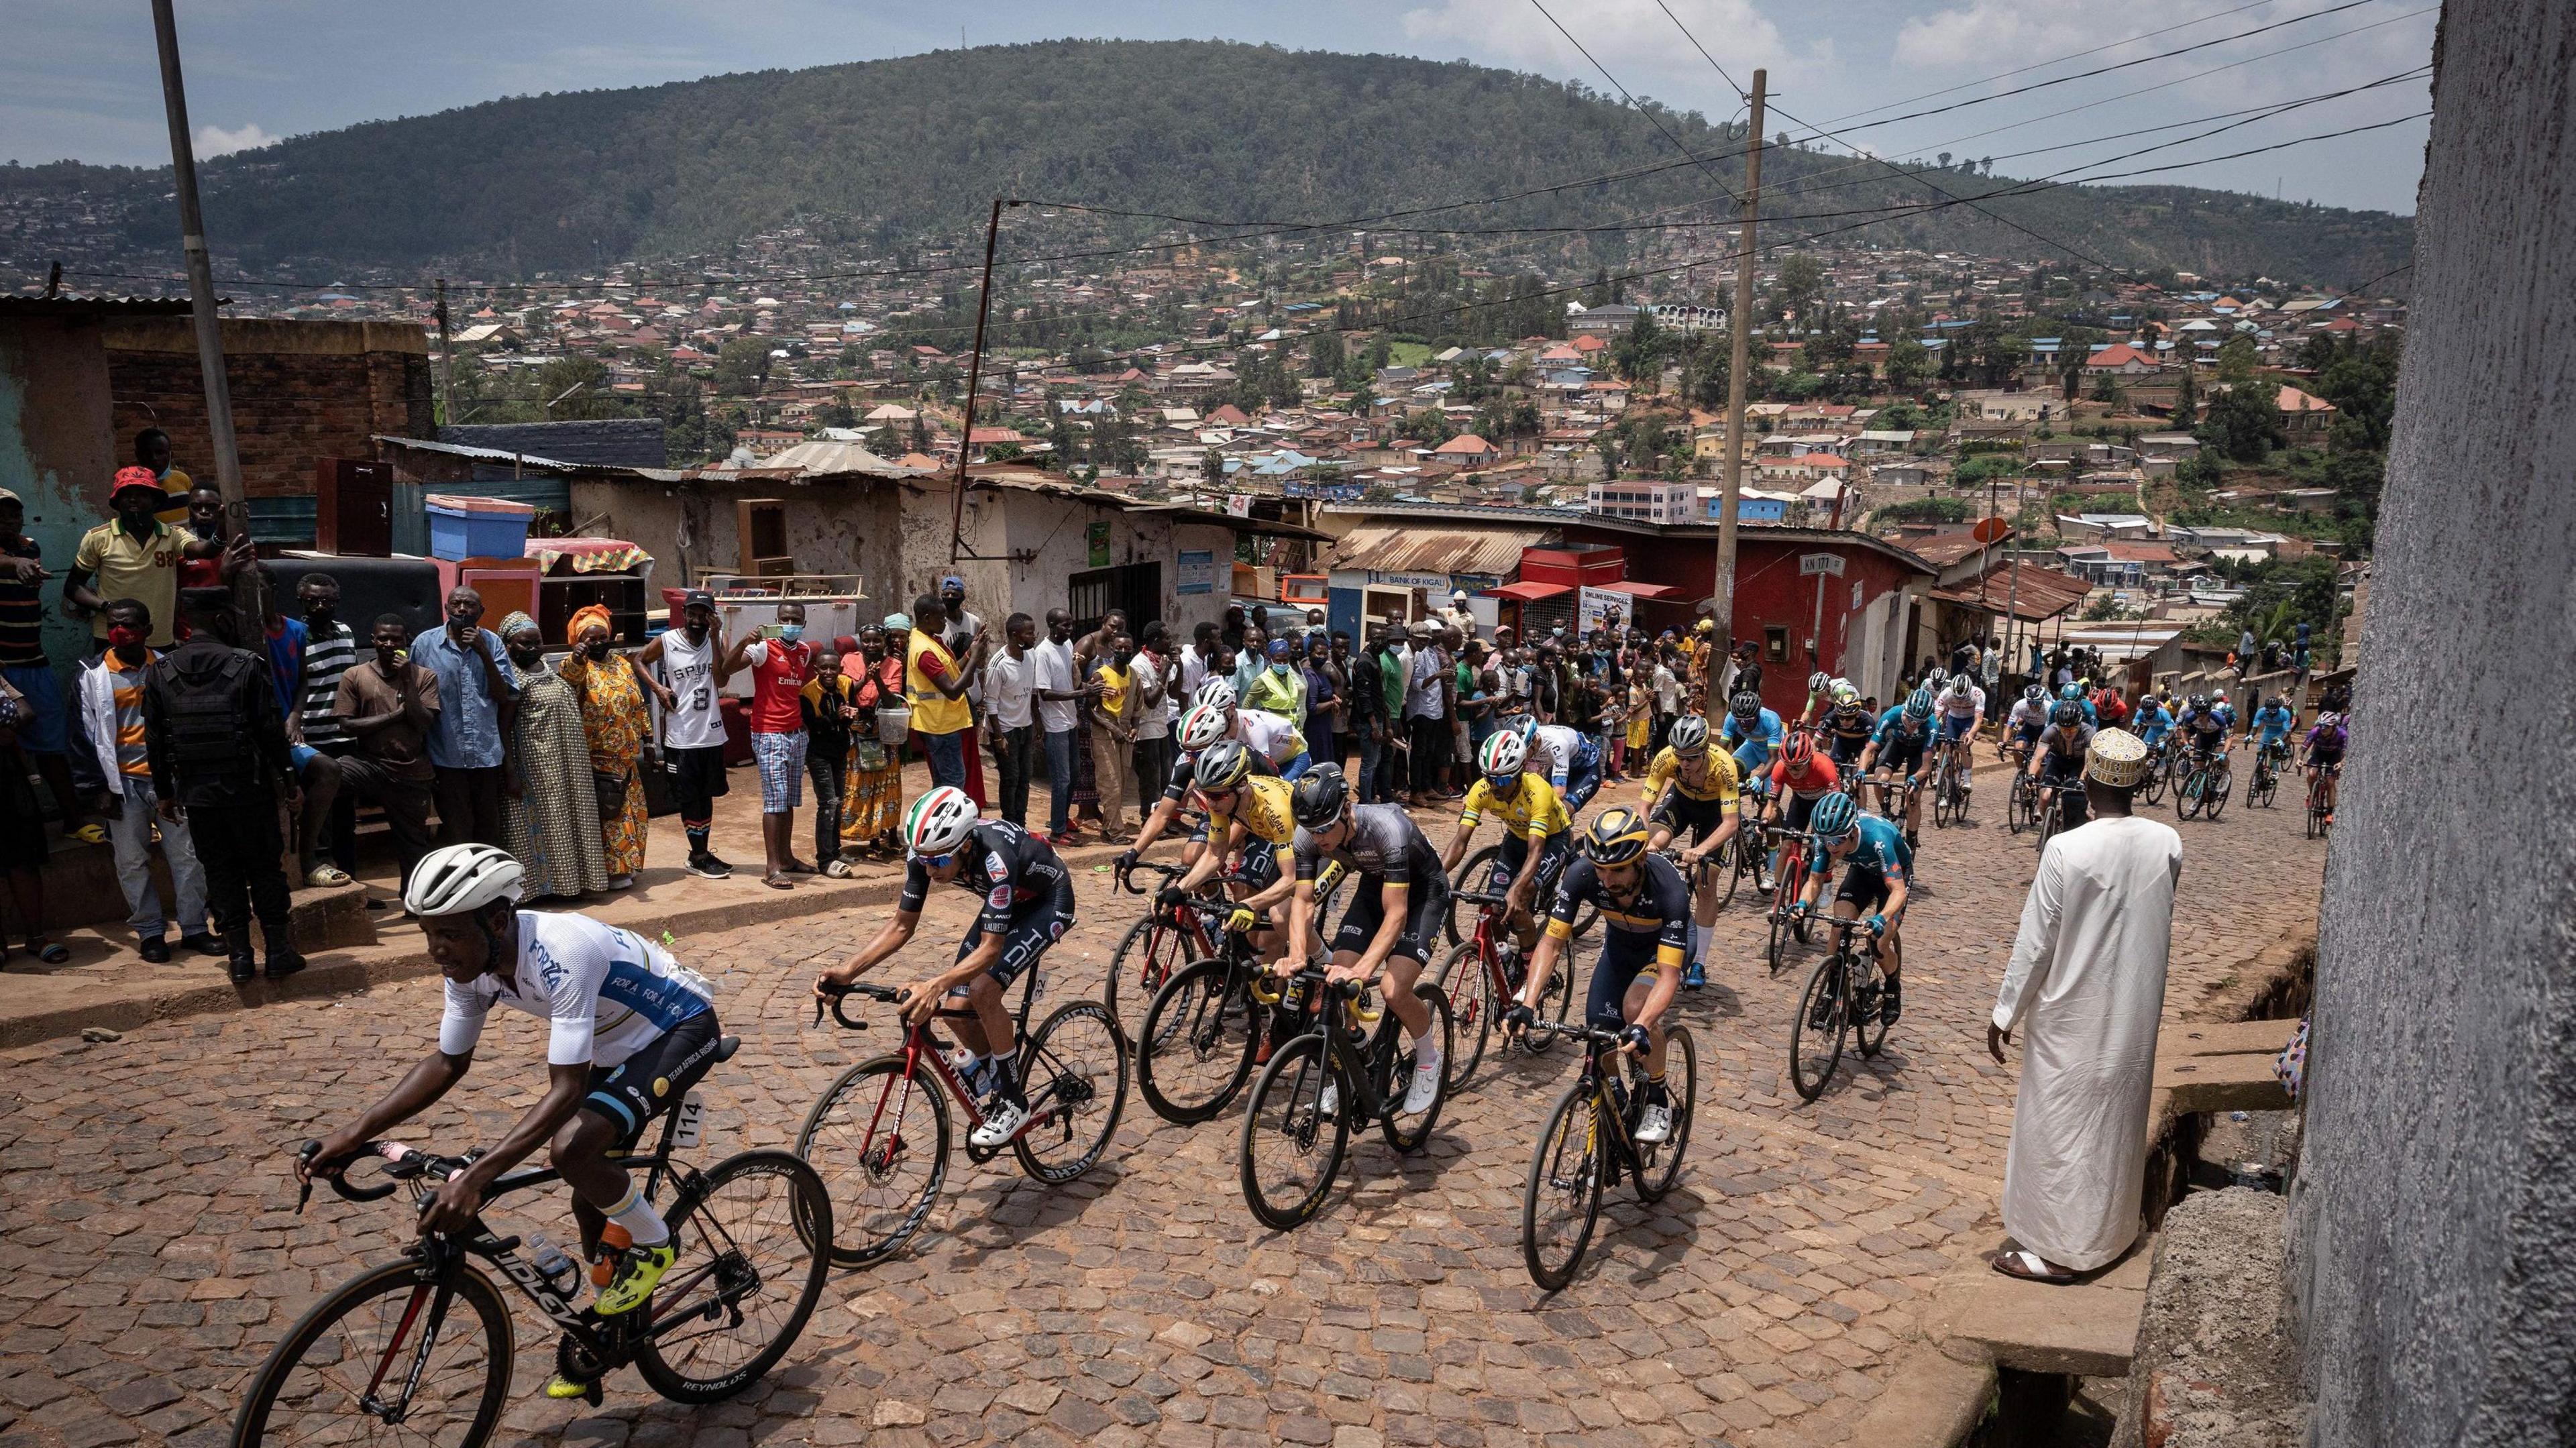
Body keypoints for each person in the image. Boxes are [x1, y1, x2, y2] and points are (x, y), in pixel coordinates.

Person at [299, 844, 722, 1394]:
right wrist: (354, 1133)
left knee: (572, 1150)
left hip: (678, 1027)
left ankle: (658, 1243)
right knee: (587, 1193)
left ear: (497, 920)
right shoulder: (473, 962)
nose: (435, 950)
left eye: (448, 933)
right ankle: (607, 1333)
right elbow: (448, 1061)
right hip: (614, 1044)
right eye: (428, 933)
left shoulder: (563, 951)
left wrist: (477, 1178)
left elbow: (566, 1090)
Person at [1987, 728, 2180, 1282]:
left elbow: (2035, 944)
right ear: (2139, 781)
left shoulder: (2065, 848)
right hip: (2133, 1012)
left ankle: (2058, 1252)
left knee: (2060, 1128)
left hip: (2072, 1016)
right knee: (2115, 1123)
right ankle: (2113, 1233)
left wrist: (2004, 1015)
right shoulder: (2168, 842)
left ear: (2090, 778)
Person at [812, 787, 1075, 1148]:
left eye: (937, 862)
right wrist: (848, 971)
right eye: (923, 860)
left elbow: (990, 950)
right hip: (1007, 901)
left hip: (1048, 901)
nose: (928, 869)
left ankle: (1014, 1103)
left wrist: (934, 984)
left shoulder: (996, 859)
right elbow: (902, 926)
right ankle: (992, 1073)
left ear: (965, 847)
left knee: (983, 991)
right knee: (954, 1010)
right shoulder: (925, 855)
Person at [144, 588, 302, 983]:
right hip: (248, 790)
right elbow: (270, 731)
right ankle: (278, 952)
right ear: (223, 619)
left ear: (185, 622)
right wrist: (288, 780)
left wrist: (165, 794)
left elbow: (156, 741)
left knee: (220, 871)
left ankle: (240, 958)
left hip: (198, 795)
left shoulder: (161, 672)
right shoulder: (247, 664)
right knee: (265, 868)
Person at [1505, 807, 1688, 1141]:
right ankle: (1617, 1097)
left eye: (1617, 870)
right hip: (1619, 948)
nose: (1607, 879)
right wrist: (1528, 1002)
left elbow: (1668, 975)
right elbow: (1552, 943)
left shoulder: (1669, 888)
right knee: (1597, 1035)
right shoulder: (1581, 874)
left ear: (1641, 860)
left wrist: (1643, 1026)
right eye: (1601, 870)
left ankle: (1659, 1096)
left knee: (1634, 1007)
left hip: (1658, 952)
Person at [1281, 769, 1446, 1117]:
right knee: (1334, 973)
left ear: (1345, 810)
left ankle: (1429, 1060)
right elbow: (1303, 900)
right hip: (1375, 884)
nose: (1320, 838)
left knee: (1392, 988)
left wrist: (1363, 970)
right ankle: (1357, 1065)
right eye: (1313, 830)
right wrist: (1296, 953)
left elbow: (1397, 914)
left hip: (1423, 892)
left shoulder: (1387, 827)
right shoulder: (1308, 836)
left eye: (1326, 828)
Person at [72, 600, 209, 962]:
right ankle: (150, 932)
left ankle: (195, 928)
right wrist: (97, 788)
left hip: (169, 781)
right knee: (131, 861)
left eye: (130, 625)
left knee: (188, 856)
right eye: (115, 625)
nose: (122, 631)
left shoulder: (168, 667)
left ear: (148, 629)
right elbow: (82, 735)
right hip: (122, 784)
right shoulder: (91, 673)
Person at [0, 488, 97, 844]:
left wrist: (21, 562)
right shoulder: (19, 557)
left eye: (14, 515)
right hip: (3, 668)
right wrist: (15, 565)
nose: (9, 522)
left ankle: (73, 821)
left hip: (33, 660)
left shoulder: (30, 547)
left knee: (53, 747)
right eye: (2, 517)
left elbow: (22, 560)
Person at [498, 612, 609, 901]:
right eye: (525, 644)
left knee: (572, 819)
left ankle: (571, 885)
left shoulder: (547, 667)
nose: (534, 649)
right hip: (537, 767)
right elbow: (504, 728)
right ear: (508, 645)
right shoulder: (510, 678)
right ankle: (540, 890)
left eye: (538, 642)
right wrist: (510, 771)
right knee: (547, 822)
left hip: (569, 763)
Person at [333, 614, 443, 903]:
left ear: (406, 641)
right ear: (373, 640)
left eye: (396, 639)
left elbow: (422, 723)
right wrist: (394, 716)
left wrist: (407, 680)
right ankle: (325, 870)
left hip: (411, 770)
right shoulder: (355, 675)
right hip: (369, 764)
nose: (389, 644)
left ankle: (414, 900)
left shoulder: (424, 676)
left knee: (413, 843)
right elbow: (346, 725)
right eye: (383, 638)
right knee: (328, 776)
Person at [1441, 730, 1574, 961]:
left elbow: (1536, 851)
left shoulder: (1538, 791)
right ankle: (1505, 959)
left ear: (1520, 772)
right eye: (1489, 778)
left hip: (1553, 839)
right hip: (1516, 837)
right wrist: (1435, 876)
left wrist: (1517, 888)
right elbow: (1459, 842)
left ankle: (1529, 965)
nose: (1494, 787)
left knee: (1520, 898)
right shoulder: (1481, 790)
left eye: (1502, 780)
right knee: (1494, 908)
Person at [1638, 713, 1741, 989]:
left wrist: (1701, 849)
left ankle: (1700, 961)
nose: (1684, 764)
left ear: (1705, 750)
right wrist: (1643, 840)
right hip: (1681, 802)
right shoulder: (1667, 758)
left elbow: (1731, 823)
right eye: (1680, 757)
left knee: (1706, 883)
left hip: (1715, 813)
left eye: (1692, 758)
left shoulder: (1724, 767)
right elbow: (1645, 806)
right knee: (1655, 842)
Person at [413, 587, 519, 849]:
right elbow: (412, 698)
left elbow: (503, 696)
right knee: (457, 830)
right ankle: (464, 886)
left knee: (488, 829)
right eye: (456, 604)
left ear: (480, 612)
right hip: (445, 756)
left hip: (486, 756)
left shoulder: (492, 643)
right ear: (447, 609)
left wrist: (483, 652)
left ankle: (488, 886)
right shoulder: (425, 645)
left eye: (469, 605)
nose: (462, 609)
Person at [1796, 790, 1912, 1027]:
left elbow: (1898, 891)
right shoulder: (1826, 840)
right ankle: (1831, 991)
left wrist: (1881, 918)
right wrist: (1801, 904)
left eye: (1838, 840)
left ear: (1851, 832)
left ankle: (1892, 985)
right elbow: (1815, 881)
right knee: (1838, 928)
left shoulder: (1877, 837)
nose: (1831, 846)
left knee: (1878, 945)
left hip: (1893, 879)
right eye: (1826, 840)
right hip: (1861, 872)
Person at [556, 606, 653, 890]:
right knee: (611, 815)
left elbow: (638, 704)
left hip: (627, 757)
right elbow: (567, 678)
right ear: (579, 640)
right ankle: (611, 872)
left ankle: (630, 864)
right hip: (598, 758)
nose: (598, 643)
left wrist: (648, 739)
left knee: (634, 813)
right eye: (590, 639)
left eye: (602, 637)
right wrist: (577, 656)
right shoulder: (577, 665)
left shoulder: (621, 663)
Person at [637, 591, 732, 879]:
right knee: (689, 797)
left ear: (712, 616)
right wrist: (658, 687)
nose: (697, 620)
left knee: (706, 796)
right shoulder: (668, 641)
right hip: (682, 734)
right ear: (684, 614)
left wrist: (716, 637)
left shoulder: (718, 640)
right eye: (692, 613)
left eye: (703, 614)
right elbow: (638, 661)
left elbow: (721, 679)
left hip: (711, 733)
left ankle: (700, 852)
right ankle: (699, 856)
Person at [723, 601, 816, 889]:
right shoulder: (763, 648)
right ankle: (772, 867)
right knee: (775, 800)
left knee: (788, 800)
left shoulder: (804, 651)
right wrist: (743, 642)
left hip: (795, 733)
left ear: (803, 623)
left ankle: (787, 858)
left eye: (795, 619)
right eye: (785, 618)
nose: (790, 623)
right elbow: (725, 670)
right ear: (777, 620)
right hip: (769, 733)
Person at [67, 468, 186, 649]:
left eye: (141, 494)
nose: (133, 499)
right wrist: (107, 607)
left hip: (159, 636)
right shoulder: (98, 537)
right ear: (117, 501)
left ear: (155, 501)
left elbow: (204, 550)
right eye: (126, 495)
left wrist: (220, 533)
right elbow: (73, 586)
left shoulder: (173, 536)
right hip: (114, 636)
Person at [292, 573, 362, 878]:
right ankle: (316, 873)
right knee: (317, 815)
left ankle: (351, 879)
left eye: (327, 600)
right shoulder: (295, 637)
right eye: (313, 600)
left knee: (346, 815)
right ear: (302, 601)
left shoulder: (346, 631)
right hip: (311, 738)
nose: (320, 606)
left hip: (344, 737)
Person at [0, 670, 64, 965]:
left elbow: (24, 712)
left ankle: (36, 937)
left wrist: (9, 727)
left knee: (23, 859)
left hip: (6, 774)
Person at [905, 594, 985, 807]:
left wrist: (969, 653)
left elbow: (952, 671)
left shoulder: (930, 640)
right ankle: (949, 831)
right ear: (927, 617)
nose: (945, 622)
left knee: (942, 784)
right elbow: (953, 690)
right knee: (953, 783)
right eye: (941, 618)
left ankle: (936, 827)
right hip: (939, 726)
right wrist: (975, 658)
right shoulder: (924, 651)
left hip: (941, 723)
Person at [797, 649, 860, 879]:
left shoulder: (847, 684)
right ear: (816, 670)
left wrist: (851, 715)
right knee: (828, 803)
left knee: (839, 802)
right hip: (819, 754)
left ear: (840, 669)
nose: (829, 672)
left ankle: (835, 850)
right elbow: (813, 726)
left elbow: (850, 716)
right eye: (824, 668)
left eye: (833, 668)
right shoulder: (808, 692)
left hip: (840, 752)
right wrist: (835, 717)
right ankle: (825, 860)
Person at [935, 575, 991, 809]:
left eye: (954, 596)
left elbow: (980, 653)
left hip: (970, 689)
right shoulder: (938, 625)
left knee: (971, 750)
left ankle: (975, 795)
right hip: (950, 688)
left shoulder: (973, 621)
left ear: (963, 598)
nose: (950, 599)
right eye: (946, 596)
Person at [1031, 609, 1085, 843]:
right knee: (1061, 778)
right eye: (1065, 625)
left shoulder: (1067, 645)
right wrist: (1081, 693)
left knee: (1074, 773)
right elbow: (1045, 693)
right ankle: (1057, 830)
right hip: (1055, 725)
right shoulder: (1042, 653)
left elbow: (1070, 676)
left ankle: (1061, 818)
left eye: (1071, 625)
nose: (1070, 629)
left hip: (1070, 720)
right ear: (1052, 625)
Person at [1858, 687, 1937, 847]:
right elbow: (1869, 749)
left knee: (1913, 797)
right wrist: (1861, 771)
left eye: (1918, 722)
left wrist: (1915, 778)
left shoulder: (1932, 726)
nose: (1913, 725)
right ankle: (1885, 811)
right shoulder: (1892, 715)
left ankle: (1912, 838)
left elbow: (1927, 766)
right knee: (1881, 779)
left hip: (1919, 752)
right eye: (1910, 719)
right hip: (1897, 745)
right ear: (1905, 711)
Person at [981, 613, 1039, 830]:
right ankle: (1009, 824)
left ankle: (1021, 824)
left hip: (1026, 726)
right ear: (1016, 635)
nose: (1034, 637)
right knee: (1010, 778)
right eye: (1029, 633)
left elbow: (1032, 691)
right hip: (1006, 730)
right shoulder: (998, 664)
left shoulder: (1031, 655)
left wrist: (1036, 721)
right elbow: (991, 702)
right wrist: (999, 737)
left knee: (1025, 777)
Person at [1086, 629, 1136, 842]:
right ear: (1112, 650)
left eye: (1127, 648)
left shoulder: (1134, 675)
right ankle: (1116, 832)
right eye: (1119, 648)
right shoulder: (1101, 676)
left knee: (1122, 782)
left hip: (1126, 734)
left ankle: (1108, 828)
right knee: (1110, 784)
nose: (1123, 651)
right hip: (1105, 734)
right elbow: (1088, 710)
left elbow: (1138, 707)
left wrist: (1135, 726)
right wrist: (1112, 728)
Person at [2025, 701, 2096, 834]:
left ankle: (2071, 825)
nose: (2068, 733)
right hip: (2057, 761)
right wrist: (2031, 775)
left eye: (2072, 729)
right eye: (2064, 729)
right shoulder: (2051, 731)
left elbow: (2089, 763)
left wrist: (2082, 781)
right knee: (2045, 796)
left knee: (2071, 796)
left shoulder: (2088, 733)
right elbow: (2038, 758)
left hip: (2078, 763)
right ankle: (2048, 822)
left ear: (2079, 725)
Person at [1129, 623, 1174, 824]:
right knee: (1150, 780)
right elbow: (1151, 700)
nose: (1170, 641)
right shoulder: (1140, 664)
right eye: (1167, 638)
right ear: (1156, 641)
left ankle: (1163, 820)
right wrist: (1164, 673)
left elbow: (1173, 691)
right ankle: (1148, 819)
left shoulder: (1163, 661)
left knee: (1166, 777)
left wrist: (1176, 667)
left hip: (1161, 726)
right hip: (1147, 730)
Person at [1403, 622, 1452, 805]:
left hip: (1434, 711)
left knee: (1429, 752)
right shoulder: (1420, 655)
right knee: (1419, 752)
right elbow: (1417, 684)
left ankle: (1427, 787)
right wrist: (1438, 675)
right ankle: (1416, 791)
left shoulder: (1432, 652)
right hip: (1421, 711)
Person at [2302, 711, 2348, 823]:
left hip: (2334, 756)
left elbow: (2346, 754)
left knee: (2330, 782)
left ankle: (2330, 812)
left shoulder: (2343, 734)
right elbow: (2303, 749)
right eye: (2321, 725)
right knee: (2312, 774)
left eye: (2326, 726)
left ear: (2334, 727)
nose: (2323, 729)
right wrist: (2299, 759)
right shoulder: (2315, 732)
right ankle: (2313, 794)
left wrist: (2341, 763)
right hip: (2318, 753)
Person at [2245, 693, 2297, 777]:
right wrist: (2251, 735)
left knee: (2274, 748)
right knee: (2260, 752)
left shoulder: (2284, 713)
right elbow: (2255, 727)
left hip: (2280, 732)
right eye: (2268, 711)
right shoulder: (2261, 712)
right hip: (2268, 732)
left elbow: (2287, 732)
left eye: (2273, 711)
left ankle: (2275, 771)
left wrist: (2282, 740)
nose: (2271, 713)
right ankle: (2259, 772)